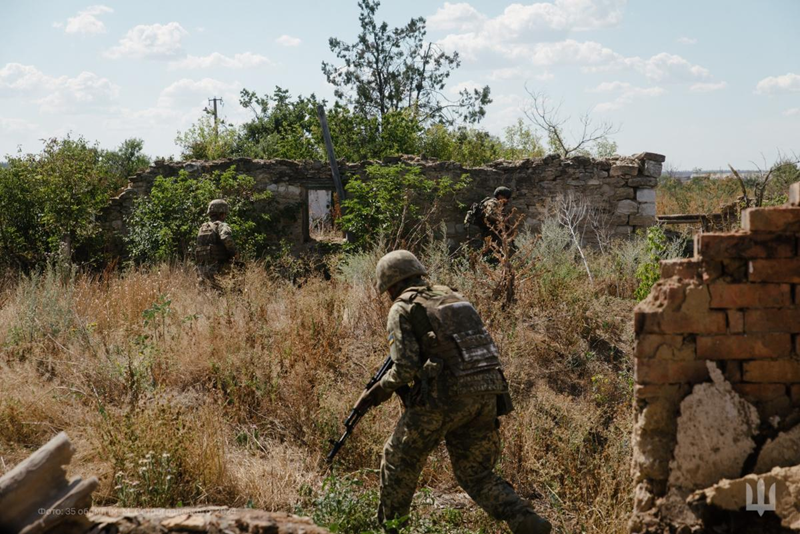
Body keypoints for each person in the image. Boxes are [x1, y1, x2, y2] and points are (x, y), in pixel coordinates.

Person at [353, 250, 551, 534]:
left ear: (392, 285)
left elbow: (405, 368)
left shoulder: (402, 307)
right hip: (488, 395)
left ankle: (391, 530)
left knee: (398, 461)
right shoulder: (455, 297)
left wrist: (379, 390)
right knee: (477, 474)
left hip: (445, 398)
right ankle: (525, 520)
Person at [195, 199, 238, 291]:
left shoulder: (203, 227)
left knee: (205, 293)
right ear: (222, 213)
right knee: (222, 292)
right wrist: (234, 253)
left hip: (202, 267)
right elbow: (226, 238)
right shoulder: (221, 225)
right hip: (218, 266)